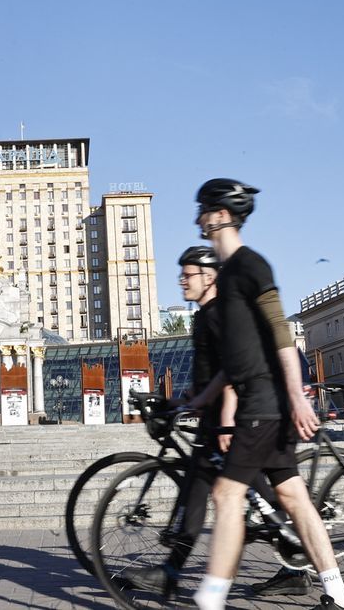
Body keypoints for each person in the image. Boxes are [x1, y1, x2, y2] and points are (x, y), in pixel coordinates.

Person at [191, 179, 344, 610]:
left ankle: (210, 599)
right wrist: (203, 397)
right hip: (259, 399)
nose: (198, 217)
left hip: (264, 402)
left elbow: (281, 331)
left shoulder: (249, 265)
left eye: (204, 209)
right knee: (293, 497)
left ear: (221, 216)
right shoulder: (227, 278)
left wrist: (298, 397)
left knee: (226, 496)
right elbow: (236, 356)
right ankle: (339, 596)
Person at [115, 247, 311, 600]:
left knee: (224, 489)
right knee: (204, 487)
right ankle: (180, 571)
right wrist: (174, 401)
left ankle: (184, 573)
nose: (181, 280)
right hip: (221, 417)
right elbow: (207, 379)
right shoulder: (204, 316)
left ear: (209, 277)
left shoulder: (220, 314)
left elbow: (235, 368)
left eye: (188, 274)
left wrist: (226, 416)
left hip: (240, 416)